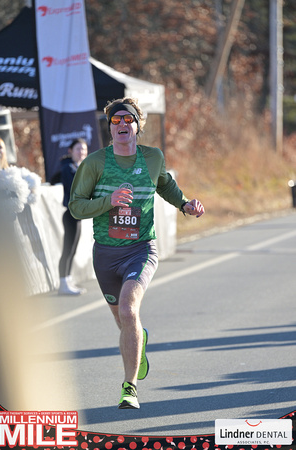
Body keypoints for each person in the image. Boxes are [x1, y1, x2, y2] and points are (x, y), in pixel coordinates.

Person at [69, 97, 205, 409]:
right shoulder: (95, 164)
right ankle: (139, 339)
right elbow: (76, 207)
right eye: (115, 121)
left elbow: (165, 184)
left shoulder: (153, 157)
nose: (121, 125)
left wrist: (185, 204)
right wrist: (110, 200)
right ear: (109, 128)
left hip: (141, 249)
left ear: (137, 126)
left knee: (129, 311)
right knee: (125, 322)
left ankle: (129, 387)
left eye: (127, 120)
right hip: (105, 255)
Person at [58, 138, 88, 295]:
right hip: (70, 214)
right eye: (78, 149)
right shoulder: (67, 168)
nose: (81, 152)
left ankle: (67, 279)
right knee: (67, 249)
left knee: (73, 249)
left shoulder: (81, 167)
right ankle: (63, 283)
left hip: (77, 215)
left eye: (83, 149)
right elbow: (74, 189)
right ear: (70, 151)